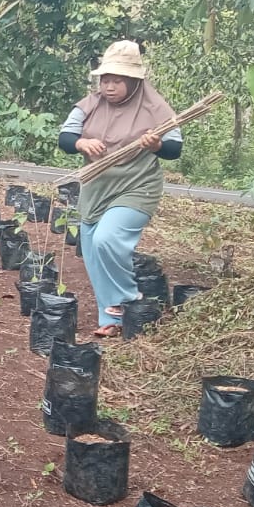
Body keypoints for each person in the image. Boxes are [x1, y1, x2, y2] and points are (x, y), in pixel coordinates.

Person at [59, 40, 182, 338]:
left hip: (136, 187)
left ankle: (129, 299)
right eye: (105, 80)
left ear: (134, 81)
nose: (109, 87)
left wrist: (157, 145)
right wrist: (80, 143)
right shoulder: (89, 104)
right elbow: (65, 137)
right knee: (91, 252)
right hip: (96, 187)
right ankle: (111, 318)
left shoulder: (155, 107)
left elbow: (174, 148)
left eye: (117, 81)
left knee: (106, 239)